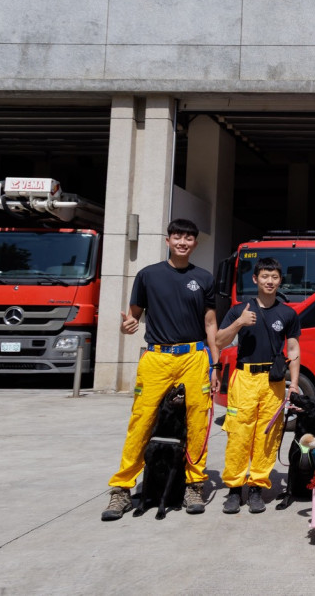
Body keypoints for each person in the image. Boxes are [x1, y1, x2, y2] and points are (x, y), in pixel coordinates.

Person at [102, 218, 220, 521]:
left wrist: (215, 364)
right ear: (168, 241)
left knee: (198, 422)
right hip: (157, 358)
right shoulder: (148, 275)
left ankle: (195, 483)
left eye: (189, 238)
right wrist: (127, 325)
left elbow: (210, 324)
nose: (183, 242)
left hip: (195, 356)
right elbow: (134, 317)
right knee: (141, 420)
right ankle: (122, 489)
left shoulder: (204, 278)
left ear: (195, 243)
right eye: (177, 237)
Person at [215, 257, 301, 514]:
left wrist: (293, 384)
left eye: (274, 277)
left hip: (272, 382)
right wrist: (239, 322)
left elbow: (294, 348)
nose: (270, 281)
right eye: (265, 276)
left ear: (280, 280)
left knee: (267, 436)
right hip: (244, 379)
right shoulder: (239, 309)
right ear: (255, 279)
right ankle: (234, 489)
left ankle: (256, 488)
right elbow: (219, 341)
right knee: (239, 435)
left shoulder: (287, 313)